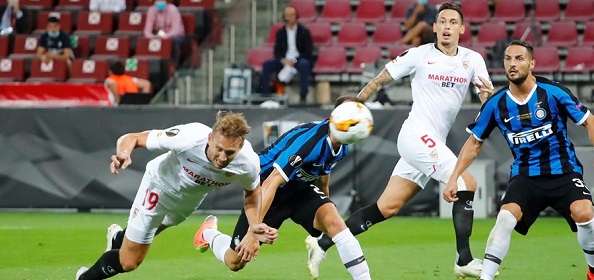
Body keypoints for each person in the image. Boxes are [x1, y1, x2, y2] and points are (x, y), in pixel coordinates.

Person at [305, 3, 494, 279]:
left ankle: (320, 243)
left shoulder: (473, 59)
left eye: (453, 23)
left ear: (462, 29)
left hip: (432, 142)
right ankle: (463, 259)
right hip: (415, 135)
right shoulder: (419, 55)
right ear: (434, 27)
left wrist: (486, 107)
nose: (446, 27)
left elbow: (485, 94)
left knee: (387, 207)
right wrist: (354, 107)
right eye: (442, 22)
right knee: (467, 183)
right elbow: (380, 80)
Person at [443, 40, 594, 280]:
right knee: (505, 217)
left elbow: (589, 120)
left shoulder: (553, 92)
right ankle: (486, 278)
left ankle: (593, 271)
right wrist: (453, 178)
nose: (512, 64)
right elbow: (474, 143)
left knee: (585, 214)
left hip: (564, 171)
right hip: (526, 176)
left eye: (519, 59)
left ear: (532, 63)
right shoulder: (496, 103)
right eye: (508, 59)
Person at [75, 112, 278, 280]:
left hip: (188, 201)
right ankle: (84, 277)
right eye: (219, 149)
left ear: (240, 147)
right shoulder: (189, 137)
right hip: (158, 188)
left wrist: (253, 224)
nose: (222, 158)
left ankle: (119, 237)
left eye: (230, 152)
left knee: (148, 233)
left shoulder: (248, 162)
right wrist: (124, 153)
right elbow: (132, 138)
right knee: (130, 262)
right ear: (210, 138)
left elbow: (252, 192)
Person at [194, 96, 371, 279]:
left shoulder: (343, 145)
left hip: (300, 189)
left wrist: (326, 202)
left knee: (336, 223)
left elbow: (323, 170)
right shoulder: (309, 143)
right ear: (334, 117)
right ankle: (208, 233)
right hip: (267, 188)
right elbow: (272, 182)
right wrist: (252, 233)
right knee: (235, 261)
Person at [259, 6, 313, 104]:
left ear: (296, 16)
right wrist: (282, 60)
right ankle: (265, 97)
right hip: (285, 60)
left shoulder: (304, 31)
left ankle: (303, 97)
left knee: (304, 65)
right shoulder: (280, 32)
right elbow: (277, 51)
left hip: (298, 60)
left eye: (291, 15)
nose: (289, 18)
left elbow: (308, 52)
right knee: (266, 65)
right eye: (287, 15)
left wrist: (295, 60)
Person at [143, 0, 185, 67]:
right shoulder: (151, 10)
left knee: (173, 41)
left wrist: (165, 37)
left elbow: (176, 30)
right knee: (145, 41)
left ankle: (175, 66)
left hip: (175, 36)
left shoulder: (173, 9)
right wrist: (152, 37)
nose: (159, 2)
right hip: (158, 35)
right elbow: (147, 31)